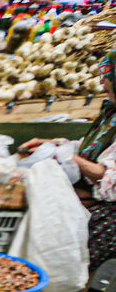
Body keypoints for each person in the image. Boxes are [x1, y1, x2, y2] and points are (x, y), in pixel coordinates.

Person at [21, 50, 116, 274]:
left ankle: (64, 287)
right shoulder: (111, 114)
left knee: (61, 243)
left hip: (110, 215)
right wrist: (52, 144)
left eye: (108, 76)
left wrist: (70, 158)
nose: (102, 82)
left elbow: (110, 179)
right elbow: (87, 149)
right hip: (95, 198)